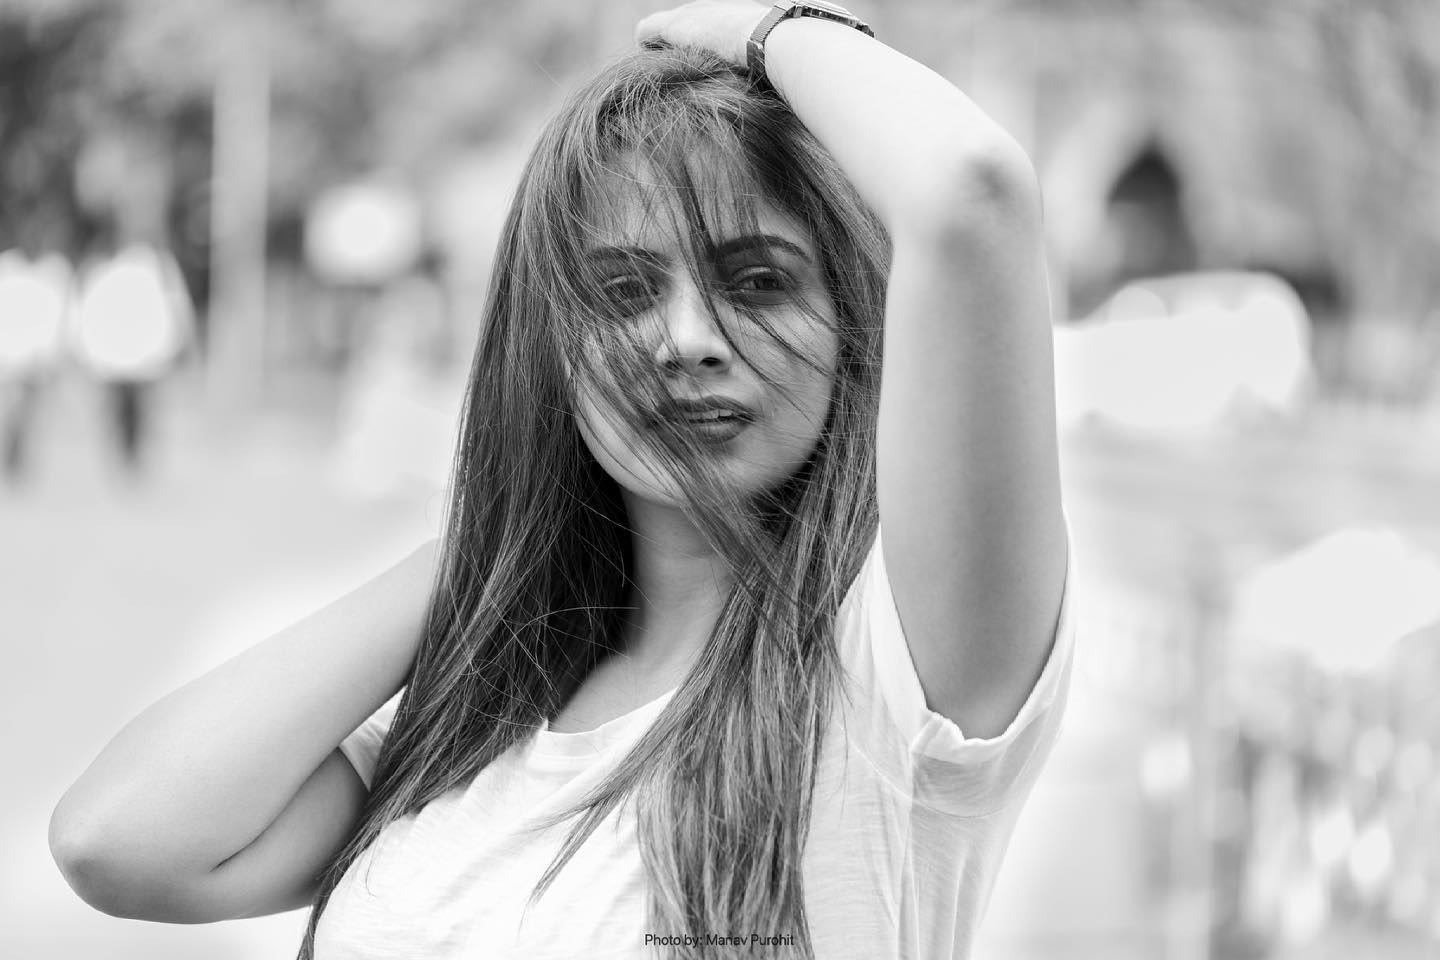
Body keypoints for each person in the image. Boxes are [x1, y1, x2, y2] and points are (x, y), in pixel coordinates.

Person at [49, 3, 1075, 957]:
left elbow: (970, 189)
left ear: (850, 324)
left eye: (758, 281)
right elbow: (118, 840)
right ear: (549, 353)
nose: (687, 338)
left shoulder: (899, 685)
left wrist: (753, 31)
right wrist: (505, 533)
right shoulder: (476, 722)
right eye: (621, 293)